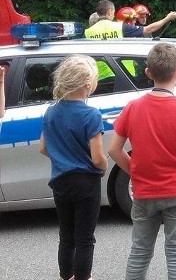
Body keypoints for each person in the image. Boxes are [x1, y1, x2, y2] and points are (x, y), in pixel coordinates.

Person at [107, 43, 176, 280]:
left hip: (144, 192)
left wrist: (134, 171)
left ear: (148, 73)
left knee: (140, 251)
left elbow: (114, 150)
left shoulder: (133, 108)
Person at [38, 55, 108, 280]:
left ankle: (65, 276)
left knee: (66, 236)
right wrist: (104, 165)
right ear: (87, 84)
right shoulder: (91, 114)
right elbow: (97, 158)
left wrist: (61, 158)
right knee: (85, 238)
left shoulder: (51, 111)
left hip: (60, 179)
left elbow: (43, 147)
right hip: (85, 181)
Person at [85, 0, 176, 39]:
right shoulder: (120, 27)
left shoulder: (87, 32)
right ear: (110, 12)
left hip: (98, 76)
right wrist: (167, 18)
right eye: (113, 12)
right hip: (124, 74)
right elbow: (149, 29)